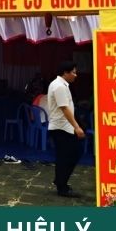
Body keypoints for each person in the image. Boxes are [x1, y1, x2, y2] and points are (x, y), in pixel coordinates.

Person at [47, 61, 85, 198]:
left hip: (64, 127)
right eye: (73, 72)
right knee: (68, 155)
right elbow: (64, 108)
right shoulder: (59, 86)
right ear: (65, 72)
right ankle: (62, 187)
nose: (75, 75)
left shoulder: (61, 85)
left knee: (68, 155)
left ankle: (60, 181)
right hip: (61, 127)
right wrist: (77, 127)